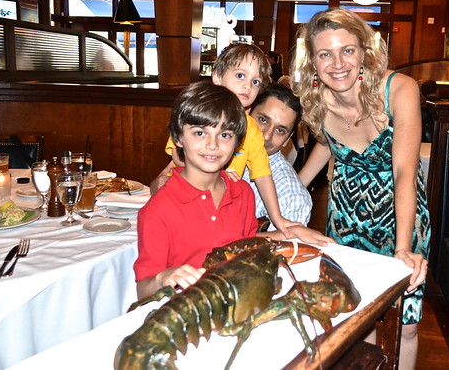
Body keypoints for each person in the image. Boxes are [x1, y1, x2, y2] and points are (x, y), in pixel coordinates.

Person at [292, 8, 430, 370]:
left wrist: (403, 248)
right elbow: (329, 143)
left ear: (364, 52)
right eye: (325, 54)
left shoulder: (399, 89)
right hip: (347, 218)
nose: (338, 63)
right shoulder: (315, 98)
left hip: (401, 212)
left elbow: (404, 171)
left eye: (347, 50)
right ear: (313, 62)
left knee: (407, 324)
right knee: (358, 318)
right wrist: (295, 191)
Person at [135, 83, 327, 300]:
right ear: (178, 137)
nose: (213, 144)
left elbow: (238, 244)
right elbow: (143, 291)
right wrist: (163, 279)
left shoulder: (242, 192)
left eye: (225, 135)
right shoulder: (157, 210)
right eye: (200, 133)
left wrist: (289, 234)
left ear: (239, 141)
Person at [151, 43, 303, 239]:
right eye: (240, 76)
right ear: (217, 77)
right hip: (179, 201)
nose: (248, 85)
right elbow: (178, 157)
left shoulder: (252, 130)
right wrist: (219, 174)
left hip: (215, 207)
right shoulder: (195, 111)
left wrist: (278, 219)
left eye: (255, 82)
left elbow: (263, 175)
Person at [243, 85, 313, 232]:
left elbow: (281, 250)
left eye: (280, 130)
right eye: (263, 120)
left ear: (287, 139)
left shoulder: (291, 196)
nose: (266, 136)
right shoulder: (214, 155)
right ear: (247, 115)